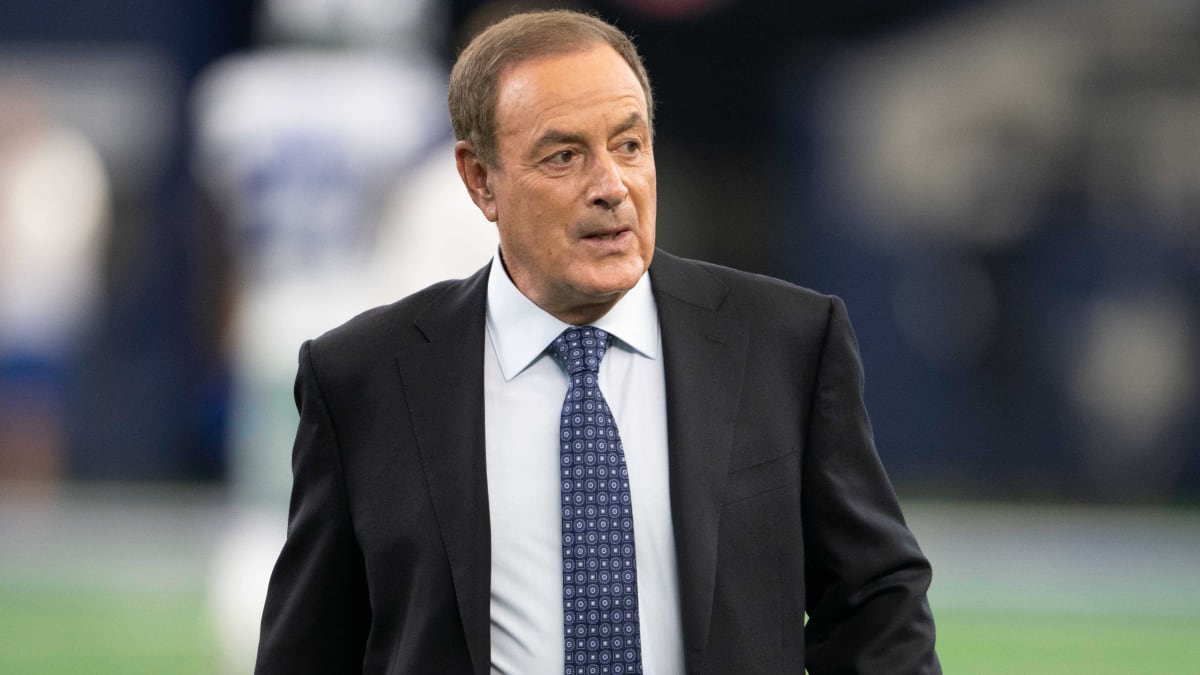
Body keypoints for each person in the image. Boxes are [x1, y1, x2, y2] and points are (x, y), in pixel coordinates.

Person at [256, 9, 939, 674]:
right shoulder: (363, 378)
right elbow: (309, 650)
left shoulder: (786, 344)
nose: (611, 186)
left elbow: (876, 603)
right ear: (480, 179)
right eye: (564, 156)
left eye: (629, 145)